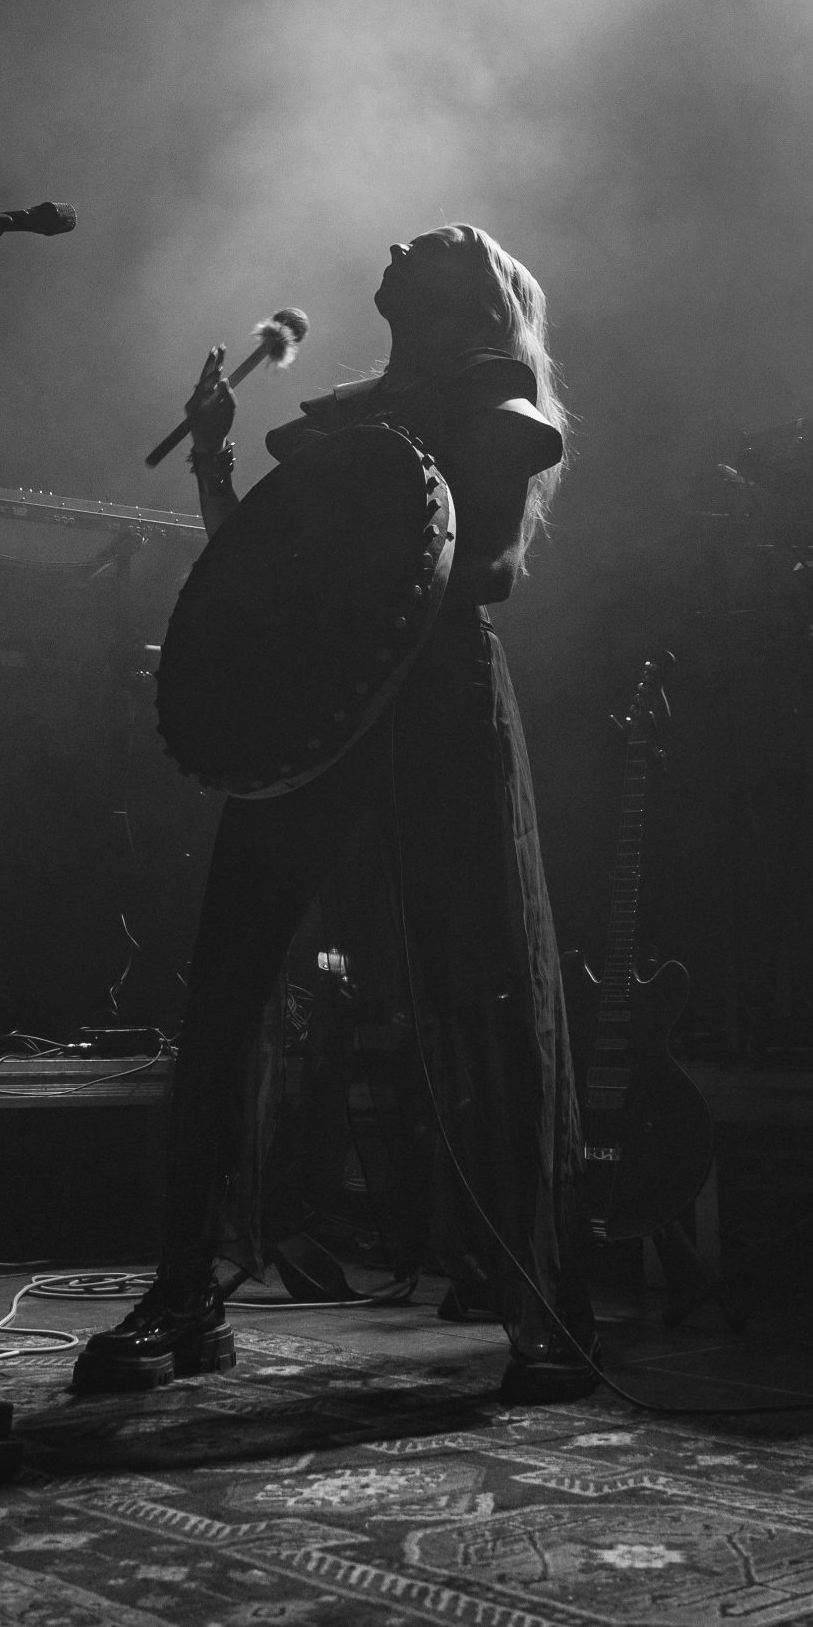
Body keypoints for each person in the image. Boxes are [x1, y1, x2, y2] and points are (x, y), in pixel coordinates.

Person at [76, 225, 596, 1401]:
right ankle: (185, 1291)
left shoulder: (492, 396)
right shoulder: (346, 418)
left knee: (486, 988)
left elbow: (493, 566)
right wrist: (215, 456)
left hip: (434, 695)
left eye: (439, 239)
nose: (403, 239)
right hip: (314, 705)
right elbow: (252, 567)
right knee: (230, 983)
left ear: (476, 294)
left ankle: (547, 1305)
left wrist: (372, 569)